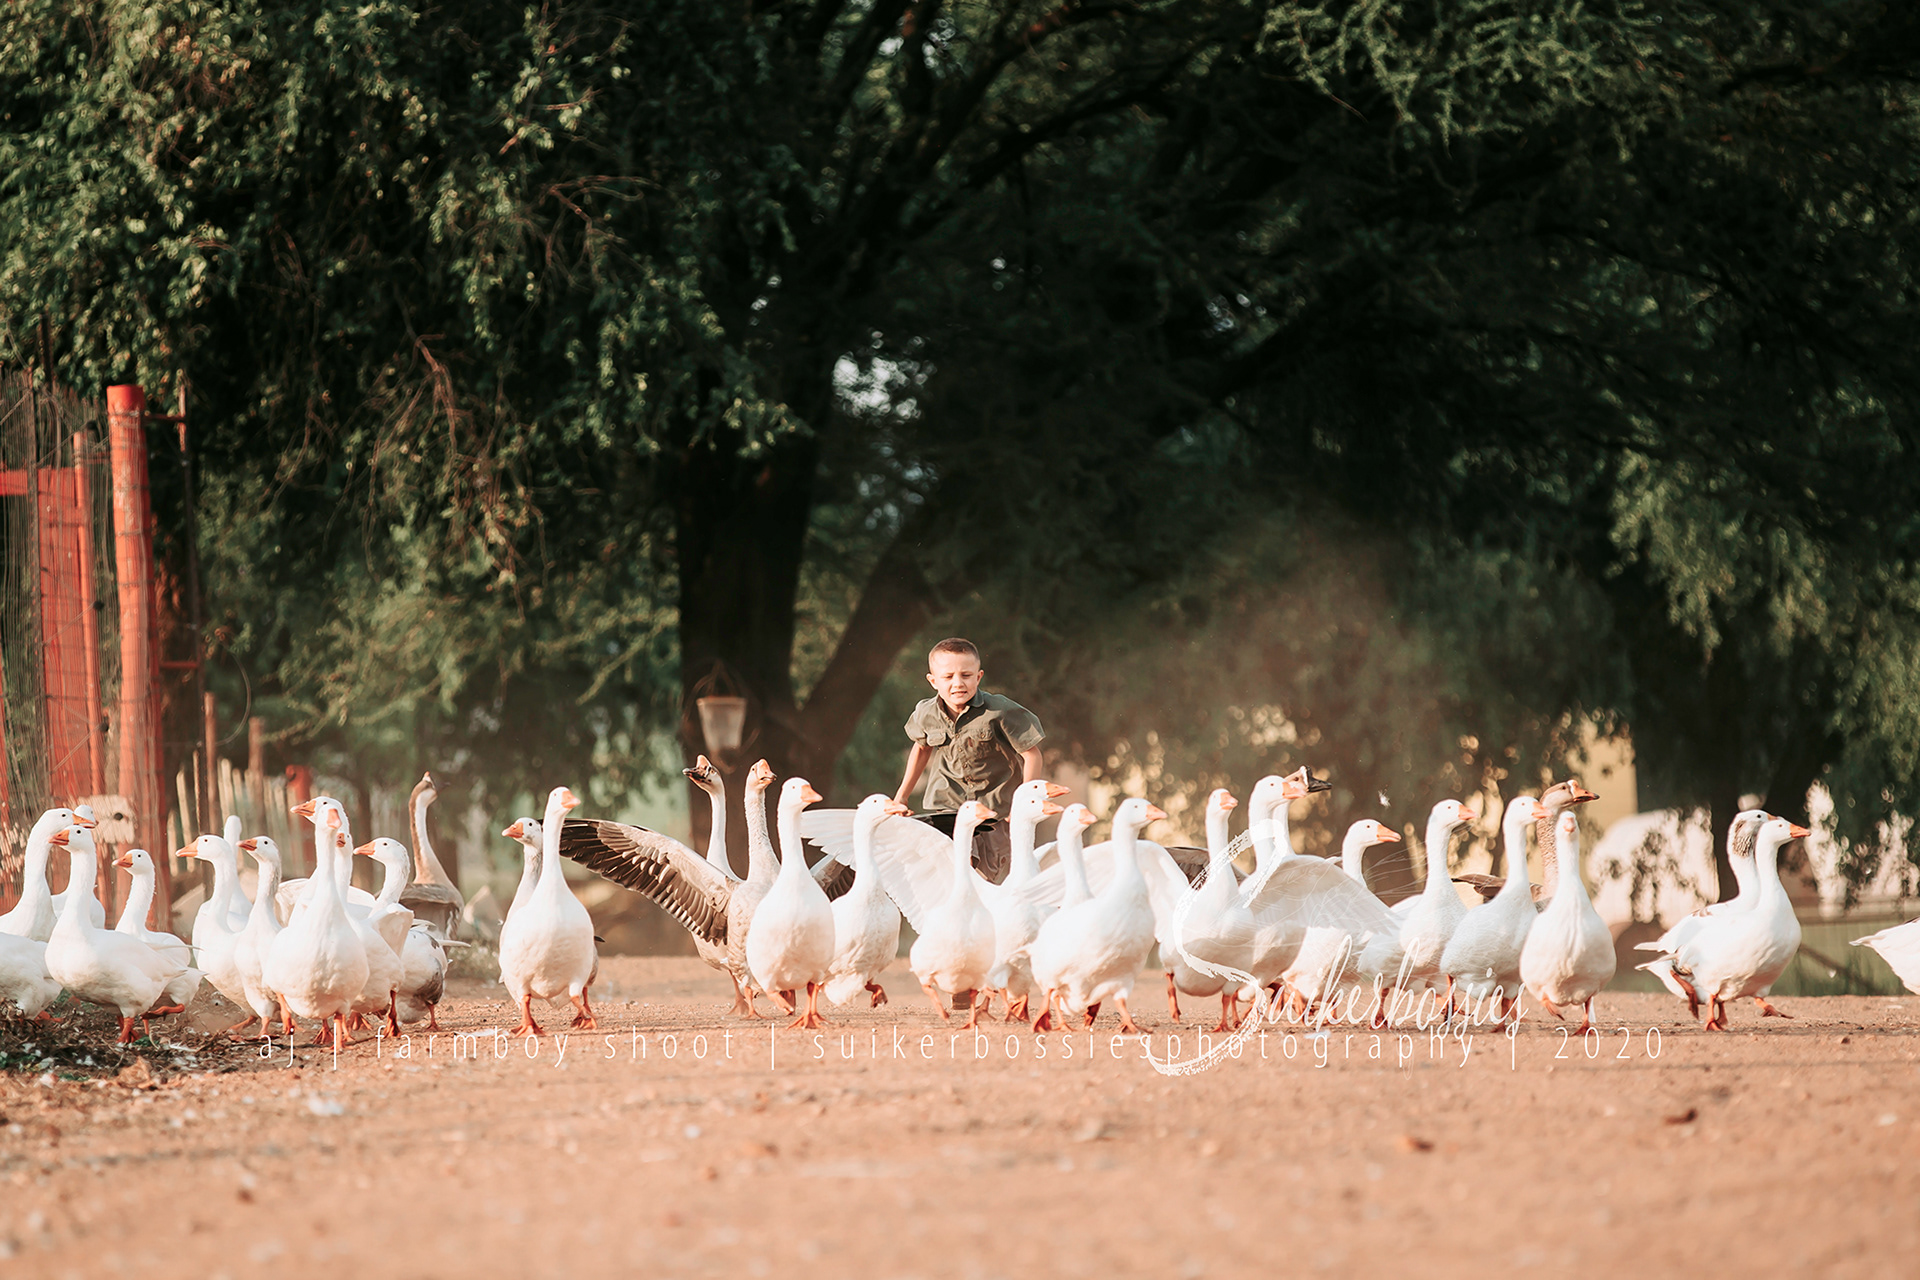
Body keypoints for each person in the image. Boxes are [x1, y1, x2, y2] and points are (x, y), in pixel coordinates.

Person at [895, 637, 1045, 883]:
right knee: (952, 875)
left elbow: (1032, 754)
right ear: (933, 681)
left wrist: (1024, 801)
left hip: (995, 812)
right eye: (948, 677)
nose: (958, 683)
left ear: (978, 676)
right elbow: (921, 749)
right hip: (948, 809)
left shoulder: (999, 710)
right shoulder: (925, 713)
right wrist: (902, 796)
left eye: (966, 675)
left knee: (990, 879)